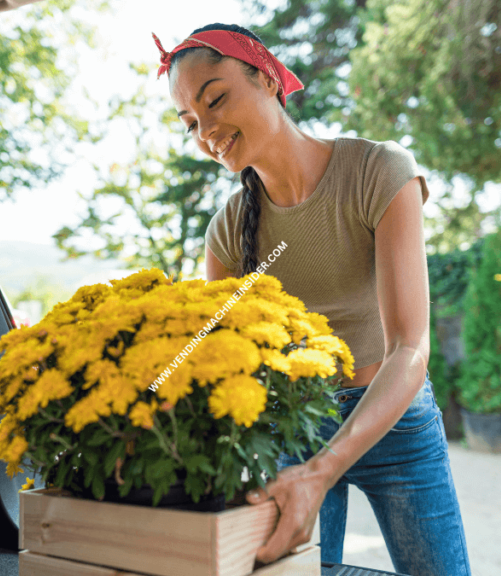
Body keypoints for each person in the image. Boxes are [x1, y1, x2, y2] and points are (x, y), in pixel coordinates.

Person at [154, 23, 472, 576]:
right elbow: (225, 365)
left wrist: (325, 468)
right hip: (290, 428)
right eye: (190, 124)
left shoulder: (379, 171)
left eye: (216, 99)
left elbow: (409, 350)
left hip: (395, 417)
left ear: (268, 79)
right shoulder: (227, 231)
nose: (206, 132)